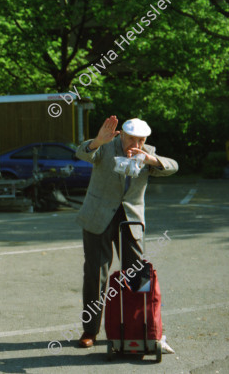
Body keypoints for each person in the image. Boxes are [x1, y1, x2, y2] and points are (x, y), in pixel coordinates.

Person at [74, 116, 178, 348]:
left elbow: (173, 166)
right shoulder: (105, 145)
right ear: (121, 134)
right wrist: (96, 142)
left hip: (130, 221)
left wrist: (150, 159)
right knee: (95, 276)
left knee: (137, 276)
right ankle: (89, 331)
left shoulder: (147, 153)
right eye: (132, 139)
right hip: (98, 217)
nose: (136, 144)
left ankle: (139, 329)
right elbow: (82, 153)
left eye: (141, 140)